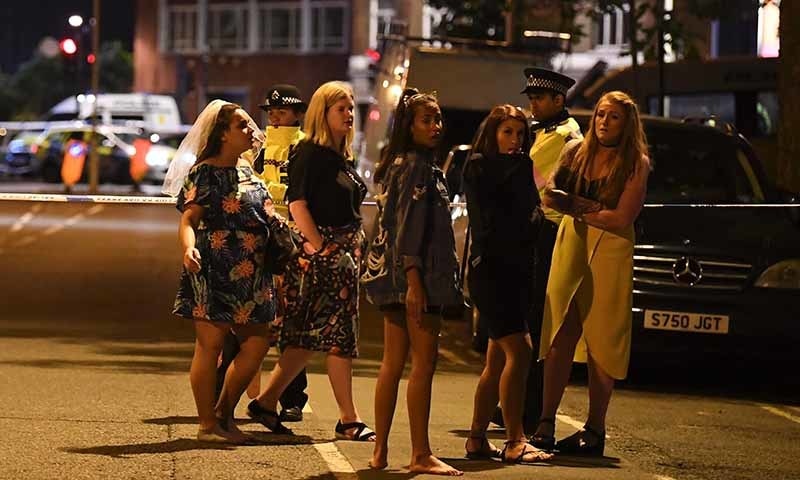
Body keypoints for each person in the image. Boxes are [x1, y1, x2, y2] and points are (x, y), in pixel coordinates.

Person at [247, 81, 374, 442]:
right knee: (337, 336)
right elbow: (298, 204)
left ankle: (268, 401)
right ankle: (348, 418)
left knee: (308, 335)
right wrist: (323, 249)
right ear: (323, 112)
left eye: (351, 108)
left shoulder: (339, 155)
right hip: (323, 255)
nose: (349, 115)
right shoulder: (309, 152)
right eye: (341, 109)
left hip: (343, 253)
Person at [531, 90, 650, 456]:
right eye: (600, 114)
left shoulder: (635, 162)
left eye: (613, 116)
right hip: (573, 244)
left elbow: (621, 218)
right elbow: (551, 195)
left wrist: (578, 206)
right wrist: (591, 207)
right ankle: (546, 421)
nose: (603, 122)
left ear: (626, 123)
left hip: (611, 250)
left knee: (603, 338)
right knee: (560, 332)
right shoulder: (575, 152)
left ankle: (595, 428)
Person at [360, 88, 464, 476]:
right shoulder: (418, 167)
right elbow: (409, 228)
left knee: (392, 362)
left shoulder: (399, 163)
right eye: (427, 120)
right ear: (409, 125)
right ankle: (420, 453)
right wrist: (414, 280)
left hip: (395, 278)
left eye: (438, 120)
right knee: (424, 362)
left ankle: (381, 451)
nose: (436, 127)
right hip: (416, 279)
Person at [164, 99, 276, 444]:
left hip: (253, 270)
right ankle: (207, 423)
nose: (250, 130)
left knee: (257, 344)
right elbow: (188, 220)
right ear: (223, 135)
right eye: (241, 125)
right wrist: (188, 248)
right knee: (209, 347)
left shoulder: (248, 170)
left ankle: (225, 413)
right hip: (214, 264)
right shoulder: (204, 173)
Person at [461, 105, 552, 465]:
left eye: (519, 133)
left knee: (496, 359)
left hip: (516, 271)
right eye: (507, 132)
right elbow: (498, 221)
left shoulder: (522, 166)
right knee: (521, 350)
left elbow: (535, 210)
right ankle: (515, 438)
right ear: (492, 132)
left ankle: (477, 438)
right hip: (493, 270)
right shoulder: (482, 165)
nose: (514, 140)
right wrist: (531, 219)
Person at [214, 84, 309, 423]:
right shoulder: (258, 146)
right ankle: (220, 391)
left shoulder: (305, 145)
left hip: (292, 237)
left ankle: (291, 396)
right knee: (246, 316)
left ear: (298, 114)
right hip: (260, 237)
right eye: (271, 112)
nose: (274, 118)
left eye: (281, 112)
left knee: (292, 321)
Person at [513, 67, 584, 436]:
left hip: (549, 231)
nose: (533, 104)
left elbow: (530, 178)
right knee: (526, 316)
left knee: (538, 320)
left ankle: (530, 408)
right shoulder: (541, 131)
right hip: (536, 228)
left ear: (559, 100)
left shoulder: (567, 137)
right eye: (531, 98)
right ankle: (517, 402)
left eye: (539, 98)